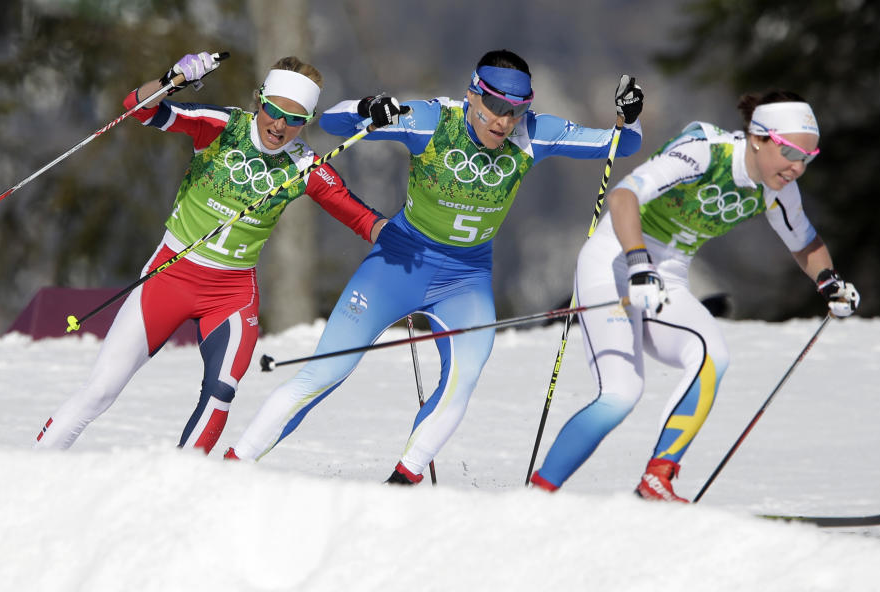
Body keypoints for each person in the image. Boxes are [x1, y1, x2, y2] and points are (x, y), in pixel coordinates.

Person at [224, 49, 644, 485]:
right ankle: (235, 463)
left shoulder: (534, 134)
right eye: (495, 107)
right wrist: (369, 108)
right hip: (398, 264)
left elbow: (621, 144)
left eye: (516, 111)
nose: (503, 122)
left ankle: (404, 482)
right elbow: (333, 122)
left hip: (466, 279)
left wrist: (628, 119)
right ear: (472, 96)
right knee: (326, 370)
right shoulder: (431, 121)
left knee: (463, 378)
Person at [34, 52, 386, 452]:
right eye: (273, 111)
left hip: (231, 295)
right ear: (259, 100)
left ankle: (184, 487)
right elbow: (138, 108)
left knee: (220, 392)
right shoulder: (222, 127)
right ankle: (35, 470)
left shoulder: (304, 164)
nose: (279, 125)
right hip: (170, 276)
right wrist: (173, 78)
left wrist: (410, 239)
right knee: (101, 391)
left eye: (295, 119)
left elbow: (364, 219)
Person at [528, 91, 860, 501]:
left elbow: (805, 243)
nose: (797, 167)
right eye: (791, 152)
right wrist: (638, 264)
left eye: (808, 158)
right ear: (758, 137)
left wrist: (829, 282)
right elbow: (622, 197)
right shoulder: (706, 152)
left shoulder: (778, 191)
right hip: (615, 259)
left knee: (711, 356)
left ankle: (657, 479)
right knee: (620, 394)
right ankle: (539, 495)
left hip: (668, 274)